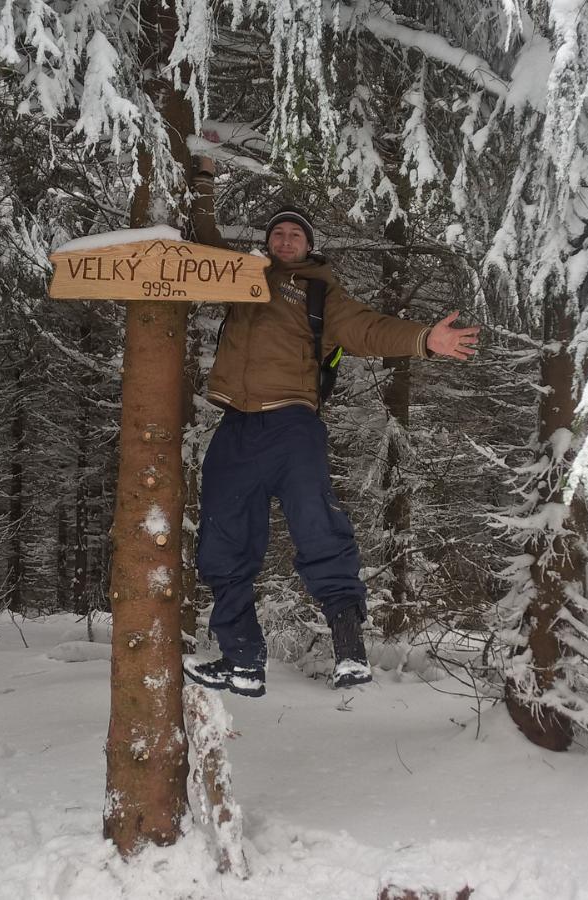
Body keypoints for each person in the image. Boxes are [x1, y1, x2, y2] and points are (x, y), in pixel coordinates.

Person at [183, 205, 480, 697]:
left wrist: (425, 339)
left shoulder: (319, 293)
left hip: (292, 425)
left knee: (318, 528)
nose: (285, 241)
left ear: (308, 244)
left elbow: (369, 328)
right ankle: (242, 660)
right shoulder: (240, 278)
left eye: (295, 234)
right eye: (278, 233)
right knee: (220, 542)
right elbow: (196, 253)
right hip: (235, 426)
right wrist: (203, 184)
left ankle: (349, 651)